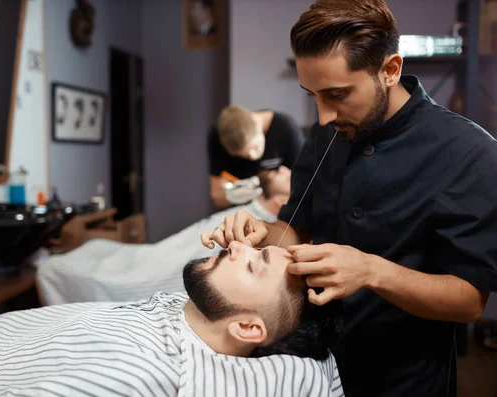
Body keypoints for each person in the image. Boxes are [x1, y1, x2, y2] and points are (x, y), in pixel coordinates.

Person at [200, 1, 497, 396]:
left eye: (337, 94)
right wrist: (262, 231)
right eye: (313, 95)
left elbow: (468, 300)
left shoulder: (469, 153)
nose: (322, 117)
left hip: (404, 377)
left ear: (390, 70)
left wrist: (372, 271)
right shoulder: (329, 131)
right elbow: (297, 231)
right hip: (315, 366)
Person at [0, 246, 344, 397]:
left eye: (253, 265)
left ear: (248, 329)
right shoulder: (181, 310)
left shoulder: (142, 372)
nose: (238, 247)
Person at [38, 168, 292, 305]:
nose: (282, 168)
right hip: (162, 252)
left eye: (288, 175)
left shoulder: (257, 232)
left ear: (282, 202)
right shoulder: (247, 210)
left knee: (59, 267)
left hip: (163, 265)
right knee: (97, 247)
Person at [208, 105, 304, 209]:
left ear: (259, 125)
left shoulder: (286, 129)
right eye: (243, 155)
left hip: (277, 210)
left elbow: (304, 187)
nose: (253, 157)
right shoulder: (218, 136)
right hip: (239, 210)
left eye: (255, 147)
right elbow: (217, 197)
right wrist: (234, 195)